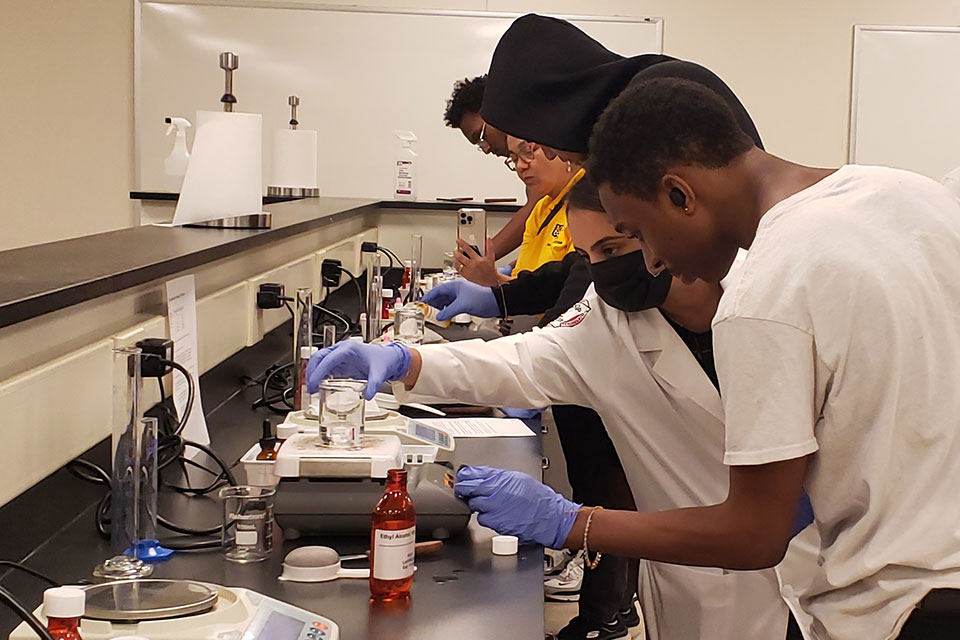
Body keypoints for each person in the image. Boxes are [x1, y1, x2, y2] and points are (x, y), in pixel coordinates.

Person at [481, 77, 960, 640]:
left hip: (900, 609)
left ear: (681, 194)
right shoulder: (910, 192)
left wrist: (572, 523)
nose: (653, 262)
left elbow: (754, 536)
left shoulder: (762, 296)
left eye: (639, 233)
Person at [305, 177, 811, 640]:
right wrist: (403, 359)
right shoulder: (610, 316)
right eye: (589, 254)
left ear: (663, 229)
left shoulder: (774, 298)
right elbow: (521, 361)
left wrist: (573, 522)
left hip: (816, 574)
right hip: (694, 586)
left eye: (614, 247)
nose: (603, 270)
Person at [453, 136, 582, 287]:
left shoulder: (588, 205)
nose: (520, 166)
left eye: (528, 152)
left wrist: (493, 280)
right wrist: (491, 278)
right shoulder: (541, 209)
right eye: (514, 159)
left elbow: (572, 293)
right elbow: (525, 284)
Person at [444, 75, 533, 262]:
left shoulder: (547, 148)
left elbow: (533, 208)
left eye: (481, 136)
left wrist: (480, 259)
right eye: (478, 144)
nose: (486, 149)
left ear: (497, 111)